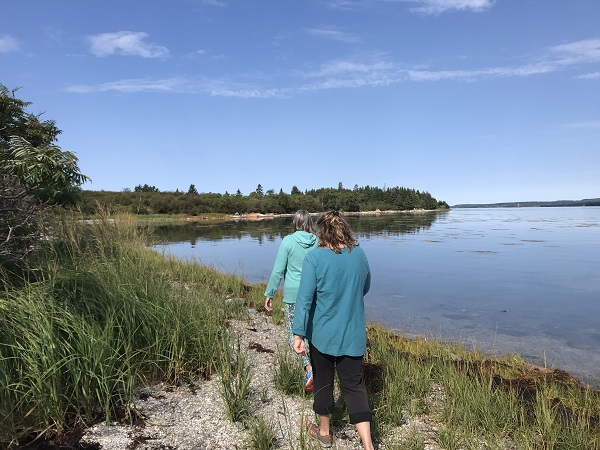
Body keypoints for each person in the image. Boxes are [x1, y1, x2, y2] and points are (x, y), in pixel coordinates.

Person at [292, 210, 374, 450]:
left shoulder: (314, 258)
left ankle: (325, 432)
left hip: (323, 335)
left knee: (323, 382)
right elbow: (365, 287)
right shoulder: (359, 254)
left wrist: (298, 334)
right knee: (354, 386)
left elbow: (304, 300)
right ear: (345, 230)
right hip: (353, 332)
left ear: (321, 233)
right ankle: (368, 445)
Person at [264, 209, 318, 392]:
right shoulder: (318, 241)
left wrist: (269, 293)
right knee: (311, 333)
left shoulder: (288, 241)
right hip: (314, 294)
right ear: (310, 223)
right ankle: (317, 368)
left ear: (295, 223)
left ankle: (309, 369)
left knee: (293, 334)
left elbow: (278, 270)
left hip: (294, 296)